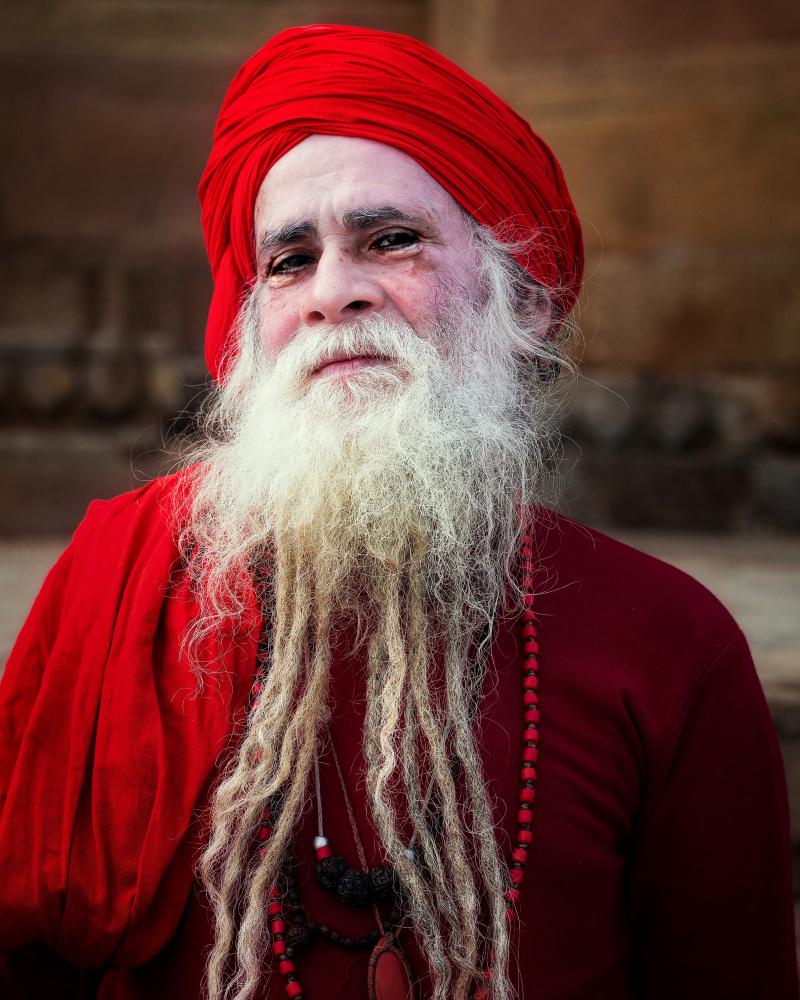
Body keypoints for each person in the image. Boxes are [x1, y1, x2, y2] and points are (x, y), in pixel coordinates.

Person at [0, 23, 796, 1000]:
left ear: (522, 300)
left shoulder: (672, 648)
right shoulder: (121, 593)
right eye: (288, 262)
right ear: (249, 326)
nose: (335, 291)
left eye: (391, 240)